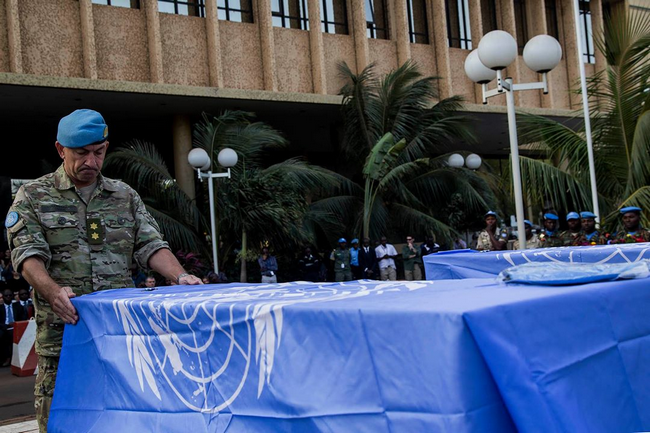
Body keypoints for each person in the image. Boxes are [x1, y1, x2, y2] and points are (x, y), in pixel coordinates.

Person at [6, 109, 202, 432]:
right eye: (81, 153)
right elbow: (28, 258)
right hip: (64, 347)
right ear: (60, 150)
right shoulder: (33, 197)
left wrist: (179, 276)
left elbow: (152, 245)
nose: (91, 162)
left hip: (119, 346)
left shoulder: (124, 197)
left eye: (98, 153)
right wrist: (53, 293)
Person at [0, 288, 28, 366]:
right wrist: (6, 326)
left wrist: (15, 324)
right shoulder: (0, 308)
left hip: (16, 327)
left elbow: (23, 318)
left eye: (10, 295)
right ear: (3, 297)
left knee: (12, 334)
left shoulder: (18, 306)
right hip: (4, 328)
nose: (8, 297)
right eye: (6, 295)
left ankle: (11, 359)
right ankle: (5, 358)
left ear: (13, 296)